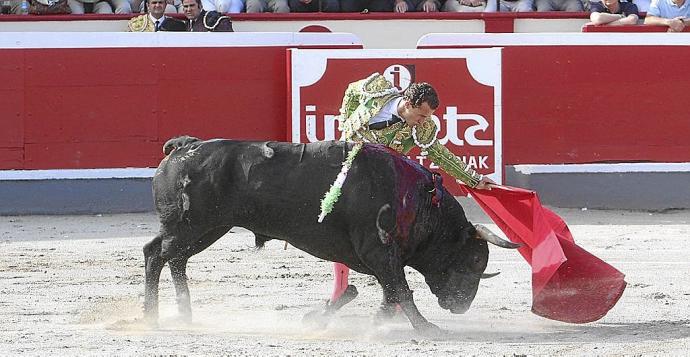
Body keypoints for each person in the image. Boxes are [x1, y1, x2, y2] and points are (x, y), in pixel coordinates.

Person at [325, 73, 495, 312]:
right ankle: (341, 288)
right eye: (422, 115)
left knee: (392, 237)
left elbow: (439, 154)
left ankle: (393, 302)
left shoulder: (423, 129)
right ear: (407, 103)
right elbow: (351, 91)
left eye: (428, 117)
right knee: (335, 223)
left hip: (381, 184)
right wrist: (345, 126)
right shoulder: (376, 89)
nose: (424, 121)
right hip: (351, 170)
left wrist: (473, 178)